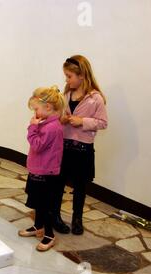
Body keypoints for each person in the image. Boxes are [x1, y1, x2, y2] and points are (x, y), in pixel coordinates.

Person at [51, 55, 108, 235]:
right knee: (58, 183)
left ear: (82, 75)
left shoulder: (96, 98)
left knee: (80, 186)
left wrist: (82, 121)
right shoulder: (65, 94)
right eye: (66, 76)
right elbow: (56, 117)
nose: (66, 80)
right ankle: (55, 217)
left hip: (83, 150)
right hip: (64, 147)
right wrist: (63, 119)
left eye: (69, 76)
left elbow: (103, 122)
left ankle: (77, 219)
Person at [18, 86, 66, 252]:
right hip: (38, 171)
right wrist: (36, 127)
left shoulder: (52, 128)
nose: (34, 113)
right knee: (37, 202)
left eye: (36, 109)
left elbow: (37, 145)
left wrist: (32, 128)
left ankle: (49, 234)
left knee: (45, 205)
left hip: (46, 174)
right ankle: (38, 226)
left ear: (48, 108)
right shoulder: (46, 124)